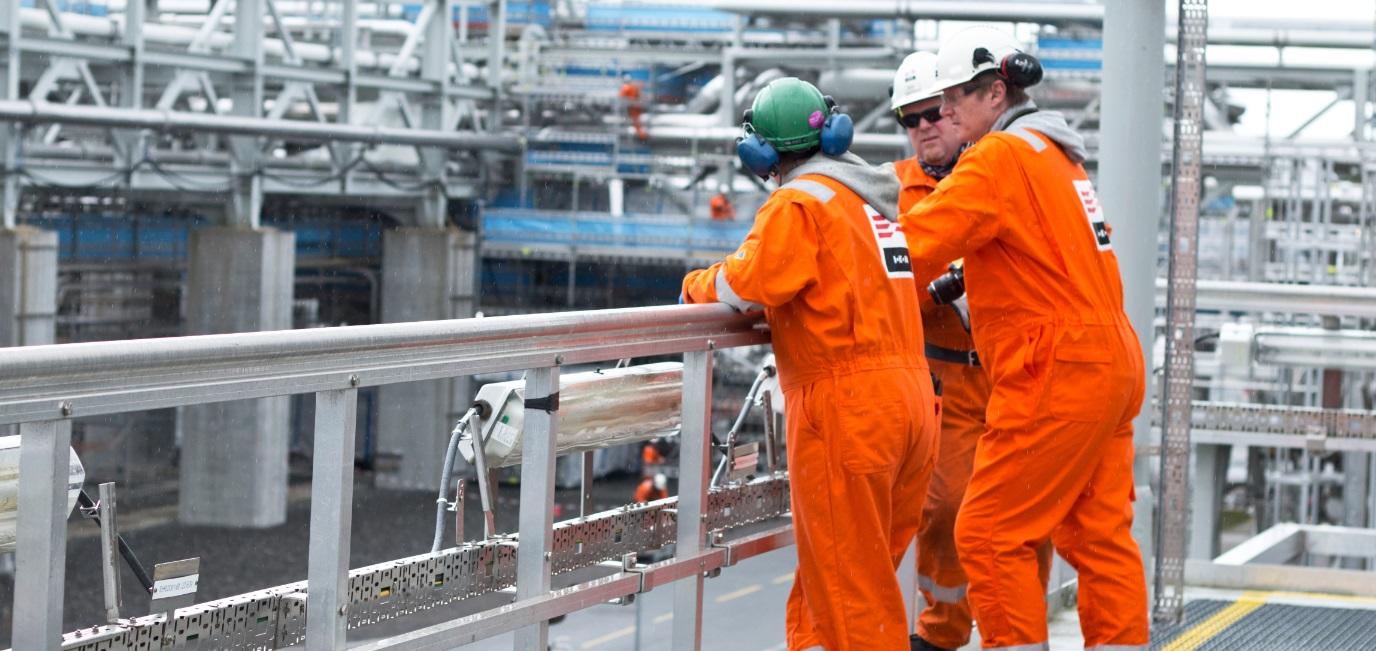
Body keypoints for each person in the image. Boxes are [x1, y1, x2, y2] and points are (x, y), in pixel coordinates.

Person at [900, 27, 1148, 650]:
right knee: (1099, 537)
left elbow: (912, 247)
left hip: (1057, 366)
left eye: (957, 100)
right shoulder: (1060, 158)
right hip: (1110, 361)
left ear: (997, 94)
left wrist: (822, 276)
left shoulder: (997, 157)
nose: (945, 114)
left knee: (986, 532)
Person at [682, 77, 937, 650]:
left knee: (852, 597)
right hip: (913, 402)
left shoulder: (799, 203)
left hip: (848, 408)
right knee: (848, 584)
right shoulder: (873, 204)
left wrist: (693, 287)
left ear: (761, 152)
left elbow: (746, 285)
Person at [888, 51, 1053, 651]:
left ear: (959, 109)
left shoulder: (999, 168)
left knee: (1027, 521)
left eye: (935, 111)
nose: (926, 125)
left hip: (1019, 374)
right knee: (945, 514)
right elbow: (887, 277)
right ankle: (943, 631)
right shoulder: (892, 191)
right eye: (912, 119)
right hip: (951, 383)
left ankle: (1014, 631)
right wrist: (940, 294)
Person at [619, 76, 649, 141]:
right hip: (632, 107)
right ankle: (642, 136)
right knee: (636, 123)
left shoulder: (629, 87)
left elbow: (623, 97)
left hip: (633, 107)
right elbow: (623, 98)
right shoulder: (629, 87)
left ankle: (642, 136)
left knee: (636, 123)